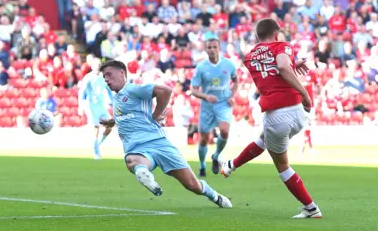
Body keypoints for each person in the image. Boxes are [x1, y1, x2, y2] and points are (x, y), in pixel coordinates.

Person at [220, 18, 322, 218]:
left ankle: (311, 208)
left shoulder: (249, 57)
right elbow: (282, 66)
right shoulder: (283, 46)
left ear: (257, 36)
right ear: (277, 32)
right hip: (297, 114)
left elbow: (278, 69)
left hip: (277, 115)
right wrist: (303, 91)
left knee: (282, 166)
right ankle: (231, 166)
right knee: (264, 139)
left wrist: (303, 89)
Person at [98, 60, 232, 208]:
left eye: (109, 75)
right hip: (138, 148)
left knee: (192, 185)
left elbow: (165, 91)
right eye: (104, 77)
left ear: (122, 73)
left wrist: (155, 115)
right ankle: (144, 174)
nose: (106, 79)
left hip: (159, 143)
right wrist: (113, 121)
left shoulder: (133, 89)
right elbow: (129, 114)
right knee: (132, 161)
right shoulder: (117, 97)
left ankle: (215, 197)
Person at [190, 38, 238, 176]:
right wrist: (206, 97)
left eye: (214, 47)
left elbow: (236, 82)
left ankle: (216, 156)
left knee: (224, 131)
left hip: (224, 103)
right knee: (204, 138)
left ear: (219, 48)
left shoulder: (228, 64)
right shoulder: (201, 68)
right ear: (206, 50)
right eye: (209, 47)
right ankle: (202, 165)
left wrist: (232, 96)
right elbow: (193, 90)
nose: (212, 49)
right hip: (207, 105)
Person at [78, 58, 113, 159]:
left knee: (109, 126)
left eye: (99, 65)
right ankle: (96, 153)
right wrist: (81, 106)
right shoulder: (88, 78)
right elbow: (82, 92)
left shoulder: (104, 77)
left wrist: (112, 102)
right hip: (91, 106)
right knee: (96, 127)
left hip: (101, 106)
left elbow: (109, 90)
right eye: (96, 65)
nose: (98, 66)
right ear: (92, 66)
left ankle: (97, 144)